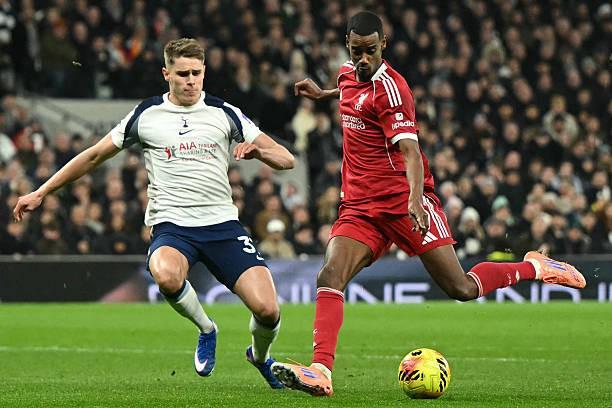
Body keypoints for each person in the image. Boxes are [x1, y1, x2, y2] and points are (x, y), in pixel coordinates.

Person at [270, 11, 586, 397]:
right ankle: (321, 371)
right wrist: (323, 94)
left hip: (404, 202)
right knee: (329, 276)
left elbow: (411, 152)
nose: (363, 59)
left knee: (461, 287)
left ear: (384, 45)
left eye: (371, 51)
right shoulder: (346, 74)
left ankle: (535, 266)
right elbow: (350, 91)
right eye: (356, 52)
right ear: (348, 47)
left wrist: (416, 200)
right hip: (360, 207)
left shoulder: (394, 90)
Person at [13, 38, 295, 389]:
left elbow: (287, 159)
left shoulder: (224, 112)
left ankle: (260, 356)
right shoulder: (146, 115)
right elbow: (94, 155)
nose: (191, 81)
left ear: (204, 72)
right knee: (165, 274)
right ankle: (207, 328)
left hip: (222, 226)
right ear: (166, 74)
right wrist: (41, 191)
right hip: (173, 226)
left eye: (196, 73)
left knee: (268, 310)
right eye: (182, 74)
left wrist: (259, 153)